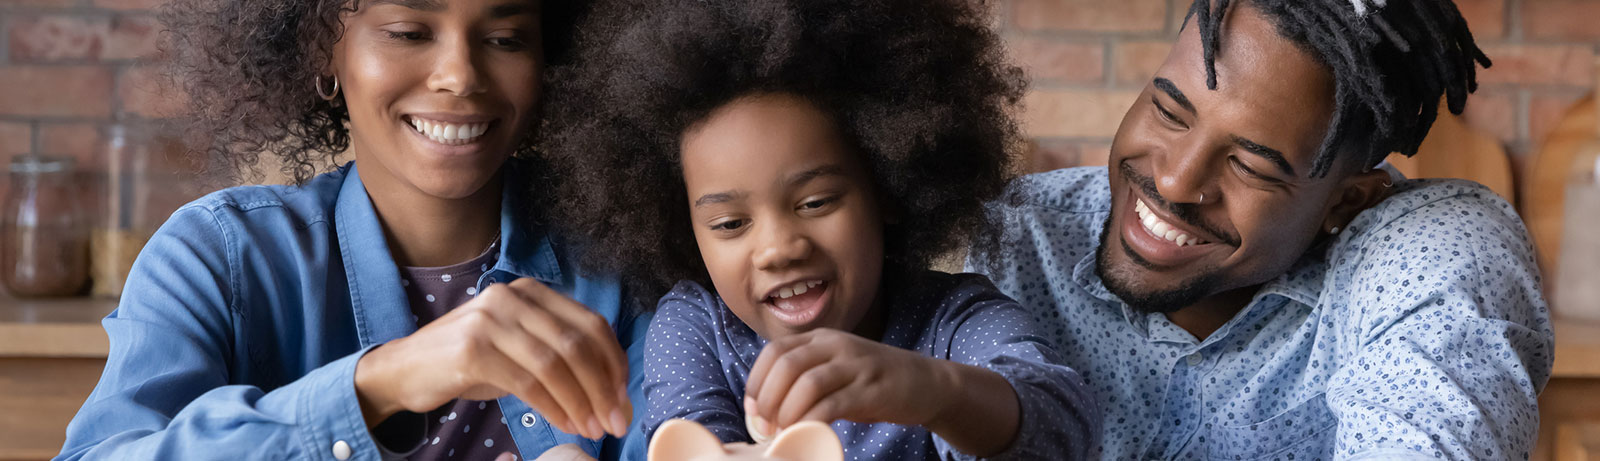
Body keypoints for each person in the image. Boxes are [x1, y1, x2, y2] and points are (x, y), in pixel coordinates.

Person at [55, 0, 652, 460]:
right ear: (323, 50)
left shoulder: (628, 255)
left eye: (505, 39)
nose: (459, 76)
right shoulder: (218, 257)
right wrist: (383, 382)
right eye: (409, 32)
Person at [965, 0, 1554, 459]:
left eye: (1251, 166)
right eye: (1169, 111)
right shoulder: (1016, 238)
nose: (1174, 181)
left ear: (1346, 201)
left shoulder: (1427, 252)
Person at [537, 0, 1099, 459]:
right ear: (685, 230)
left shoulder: (954, 321)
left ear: (888, 187)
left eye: (816, 202)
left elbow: (1065, 426)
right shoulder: (695, 327)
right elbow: (689, 439)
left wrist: (931, 390)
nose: (779, 249)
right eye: (731, 223)